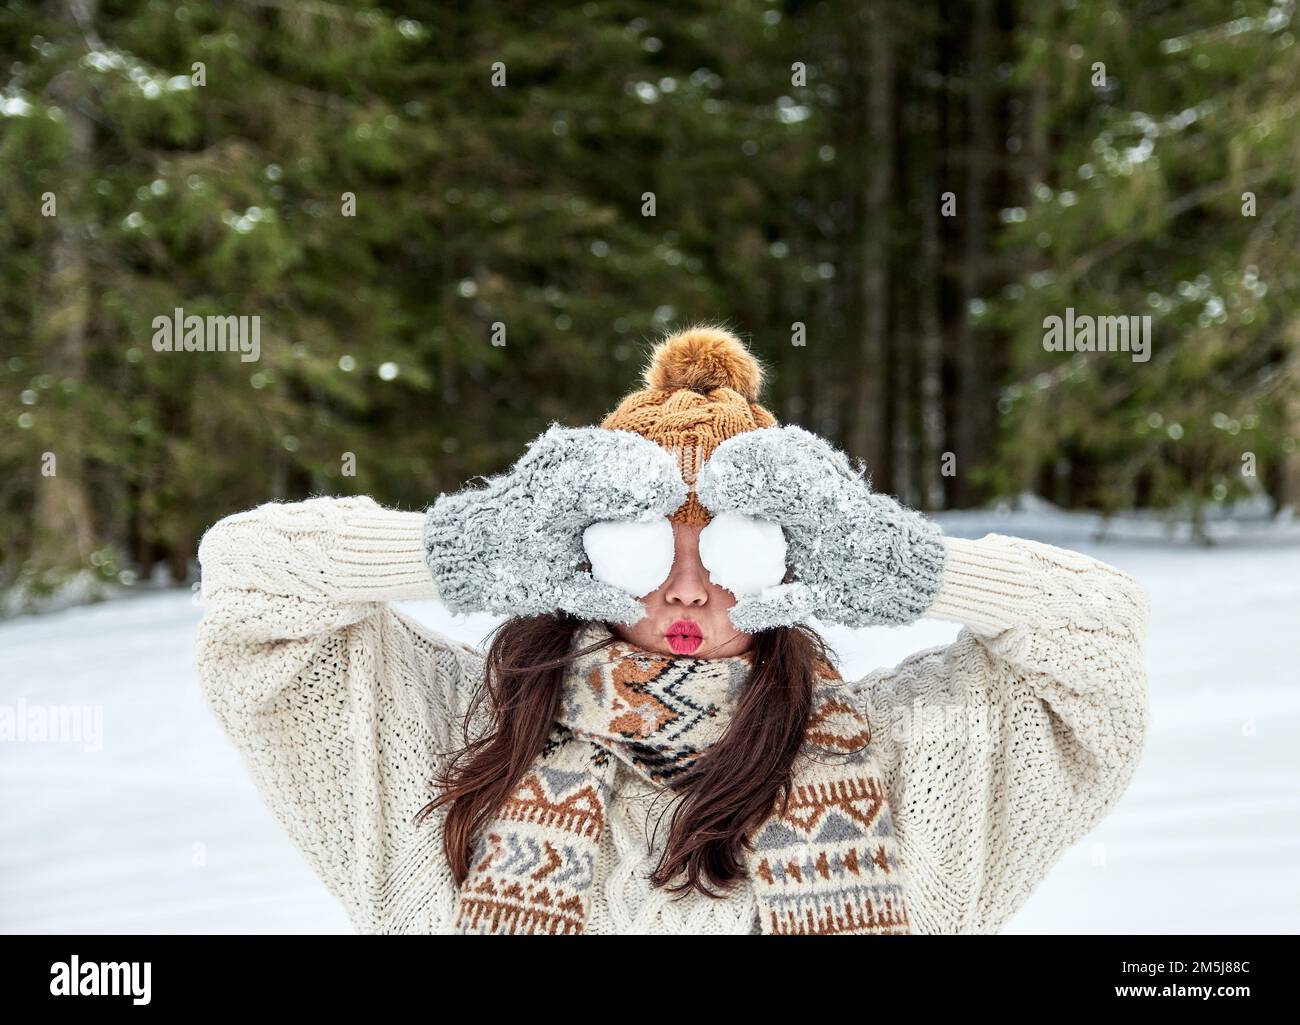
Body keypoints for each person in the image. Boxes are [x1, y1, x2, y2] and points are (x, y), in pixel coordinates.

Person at [195, 325, 1151, 935]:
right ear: (580, 552)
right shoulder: (463, 739)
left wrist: (911, 569)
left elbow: (1098, 643)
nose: (687, 589)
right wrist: (469, 545)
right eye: (647, 548)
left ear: (790, 559)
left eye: (729, 548)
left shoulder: (912, 757)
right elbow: (247, 583)